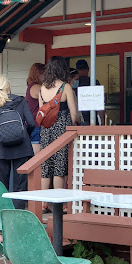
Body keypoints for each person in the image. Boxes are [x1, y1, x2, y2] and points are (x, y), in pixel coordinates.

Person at [0, 75, 34, 209]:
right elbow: (31, 123)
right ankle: (17, 215)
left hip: (1, 150)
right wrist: (22, 136)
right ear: (9, 87)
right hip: (22, 148)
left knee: (1, 186)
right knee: (20, 186)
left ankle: (2, 215)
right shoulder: (21, 101)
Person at [39, 56, 77, 200]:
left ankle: (44, 203)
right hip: (61, 129)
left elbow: (42, 111)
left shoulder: (42, 88)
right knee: (59, 168)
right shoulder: (65, 87)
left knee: (46, 166)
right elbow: (73, 113)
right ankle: (58, 202)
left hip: (46, 129)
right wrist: (75, 124)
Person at [75, 59, 105, 125]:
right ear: (88, 69)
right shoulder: (94, 82)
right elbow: (100, 104)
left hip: (78, 121)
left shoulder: (74, 83)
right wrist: (103, 121)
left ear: (77, 70)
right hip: (92, 120)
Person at [25, 62, 45, 155]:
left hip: (31, 123)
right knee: (38, 158)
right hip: (37, 124)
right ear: (39, 74)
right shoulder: (37, 87)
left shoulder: (30, 86)